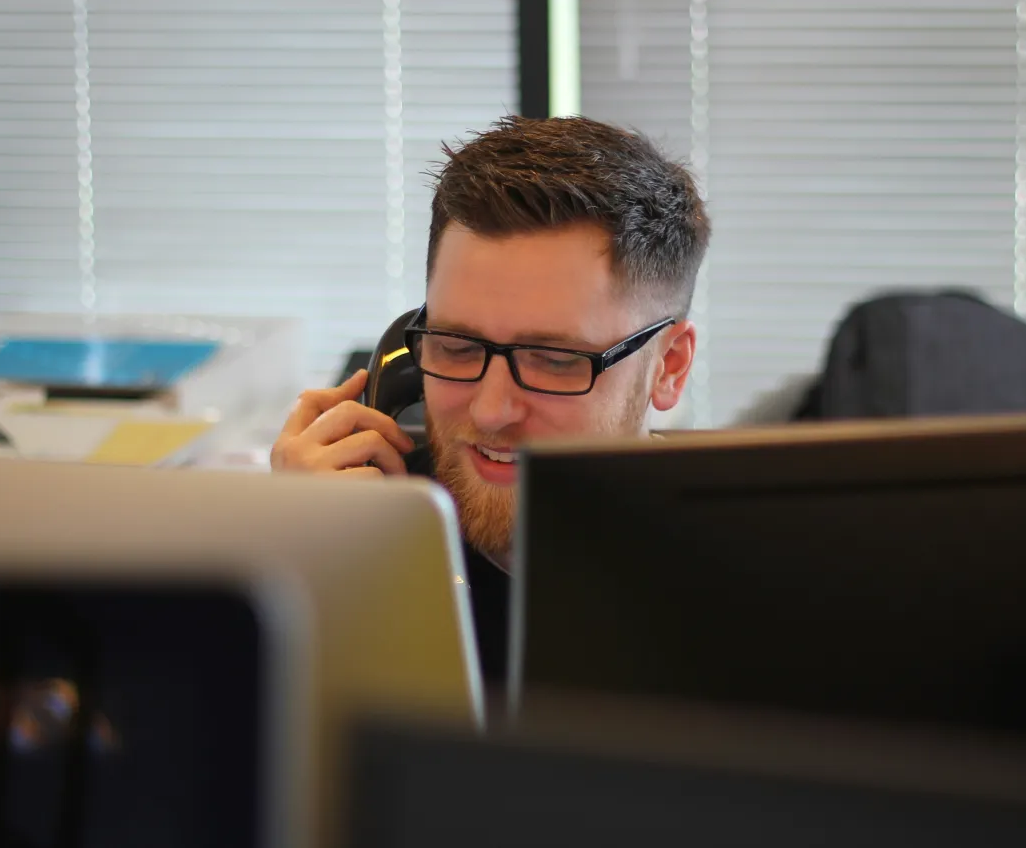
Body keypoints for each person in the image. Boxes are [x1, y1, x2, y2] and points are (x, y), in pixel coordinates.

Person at [271, 115, 710, 686]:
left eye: (555, 360)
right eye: (455, 346)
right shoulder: (356, 533)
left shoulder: (744, 593)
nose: (489, 411)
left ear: (668, 367)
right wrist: (290, 562)